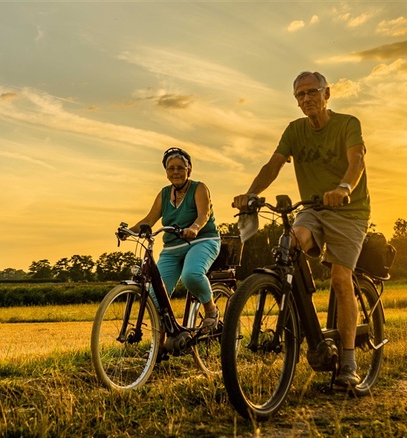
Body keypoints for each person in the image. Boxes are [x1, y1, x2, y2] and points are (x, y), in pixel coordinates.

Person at [233, 71, 370, 390]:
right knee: (290, 246)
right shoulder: (294, 131)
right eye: (299, 95)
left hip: (349, 210)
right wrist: (251, 194)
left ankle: (348, 362)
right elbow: (273, 164)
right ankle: (306, 326)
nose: (306, 99)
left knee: (339, 278)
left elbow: (357, 158)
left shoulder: (348, 124)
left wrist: (344, 187)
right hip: (312, 209)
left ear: (327, 93)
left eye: (312, 92)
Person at [130, 147, 221, 329]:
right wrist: (128, 231)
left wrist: (194, 228)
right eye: (171, 168)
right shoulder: (164, 194)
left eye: (180, 167)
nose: (176, 172)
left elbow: (204, 214)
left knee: (191, 275)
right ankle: (162, 342)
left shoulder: (199, 188)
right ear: (166, 172)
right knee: (155, 295)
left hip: (201, 241)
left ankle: (211, 310)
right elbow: (149, 220)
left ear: (189, 169)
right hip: (172, 249)